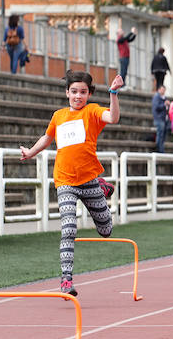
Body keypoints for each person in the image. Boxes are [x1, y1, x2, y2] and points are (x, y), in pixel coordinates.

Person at [20, 70, 122, 296]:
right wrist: (31, 152)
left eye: (83, 92)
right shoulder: (59, 116)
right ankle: (66, 279)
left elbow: (113, 118)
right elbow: (47, 137)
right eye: (74, 91)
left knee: (106, 230)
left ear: (89, 94)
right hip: (65, 180)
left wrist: (113, 93)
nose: (78, 96)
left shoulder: (92, 111)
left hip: (88, 180)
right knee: (68, 228)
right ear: (67, 92)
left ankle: (101, 187)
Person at [151, 84, 170, 153]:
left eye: (164, 90)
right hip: (159, 118)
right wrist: (165, 104)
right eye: (162, 90)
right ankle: (159, 150)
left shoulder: (164, 98)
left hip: (164, 119)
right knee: (160, 135)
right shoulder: (156, 97)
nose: (163, 91)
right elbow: (156, 107)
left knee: (163, 135)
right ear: (159, 90)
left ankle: (161, 149)